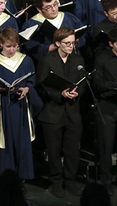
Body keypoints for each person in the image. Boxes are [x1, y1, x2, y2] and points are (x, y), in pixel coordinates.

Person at [0, 27, 42, 181]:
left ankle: (21, 179)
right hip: (3, 107)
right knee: (4, 144)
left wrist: (27, 89)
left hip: (21, 107)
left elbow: (31, 82)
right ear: (0, 44)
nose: (12, 50)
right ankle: (5, 180)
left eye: (15, 46)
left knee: (22, 144)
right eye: (8, 46)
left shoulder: (26, 60)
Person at [35, 27, 86, 198]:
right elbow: (41, 87)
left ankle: (70, 181)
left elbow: (84, 82)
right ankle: (56, 182)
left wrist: (78, 92)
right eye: (67, 43)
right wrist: (60, 94)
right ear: (57, 43)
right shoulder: (47, 61)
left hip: (72, 111)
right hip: (53, 112)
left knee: (72, 150)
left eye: (73, 43)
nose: (71, 46)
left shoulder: (78, 59)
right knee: (54, 150)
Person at [92, 28, 117, 195]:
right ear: (111, 44)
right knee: (106, 145)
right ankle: (106, 181)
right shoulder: (101, 59)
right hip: (107, 106)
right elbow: (97, 83)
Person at [22, 0, 84, 65]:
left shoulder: (69, 17)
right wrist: (53, 46)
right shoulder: (32, 24)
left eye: (55, 4)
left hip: (71, 61)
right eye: (48, 8)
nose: (54, 9)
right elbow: (32, 48)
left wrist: (77, 40)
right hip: (49, 63)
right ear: (39, 10)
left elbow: (82, 35)